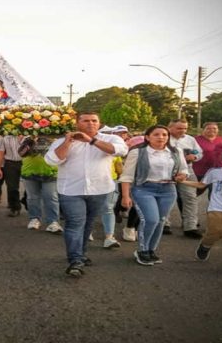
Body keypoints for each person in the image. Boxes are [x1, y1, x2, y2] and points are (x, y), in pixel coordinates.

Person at [45, 112, 128, 277]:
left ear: (99, 123)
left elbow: (120, 151)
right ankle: (75, 260)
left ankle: (80, 254)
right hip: (71, 190)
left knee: (88, 223)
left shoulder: (111, 139)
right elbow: (52, 160)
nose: (90, 124)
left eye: (94, 121)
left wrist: (92, 141)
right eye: (86, 121)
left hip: (99, 189)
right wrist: (68, 142)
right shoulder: (62, 141)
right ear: (77, 123)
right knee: (75, 223)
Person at [120, 125, 189, 266]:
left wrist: (182, 176)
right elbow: (126, 176)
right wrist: (125, 196)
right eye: (156, 134)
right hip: (144, 189)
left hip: (168, 189)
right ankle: (142, 250)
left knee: (161, 220)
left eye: (164, 135)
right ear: (147, 137)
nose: (161, 137)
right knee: (150, 219)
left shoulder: (176, 151)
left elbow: (184, 169)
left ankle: (151, 250)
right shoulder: (138, 152)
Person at [166, 119, 203, 238]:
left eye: (185, 128)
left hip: (187, 169)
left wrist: (195, 156)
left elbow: (199, 152)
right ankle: (164, 224)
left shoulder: (190, 139)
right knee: (166, 197)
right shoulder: (163, 137)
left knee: (190, 197)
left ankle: (190, 226)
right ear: (170, 127)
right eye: (179, 128)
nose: (183, 131)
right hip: (166, 171)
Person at [19, 134, 62, 233]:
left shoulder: (56, 140)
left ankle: (53, 222)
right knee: (32, 197)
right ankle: (34, 219)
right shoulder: (28, 139)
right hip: (30, 172)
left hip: (51, 173)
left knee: (51, 197)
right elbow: (21, 154)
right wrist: (30, 142)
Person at [0, 135, 24, 217]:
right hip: (10, 163)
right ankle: (14, 207)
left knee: (31, 186)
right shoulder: (5, 138)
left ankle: (25, 200)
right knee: (12, 187)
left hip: (28, 163)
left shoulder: (30, 136)